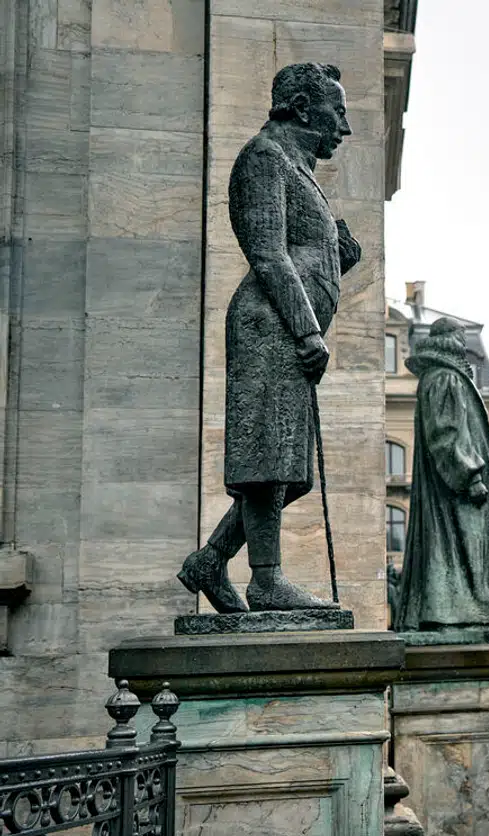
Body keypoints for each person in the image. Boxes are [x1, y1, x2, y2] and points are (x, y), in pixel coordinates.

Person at [176, 62, 362, 613]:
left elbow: (301, 253)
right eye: (338, 112)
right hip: (271, 328)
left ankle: (211, 561)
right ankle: (266, 581)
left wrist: (337, 255)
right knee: (269, 460)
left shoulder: (296, 168)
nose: (344, 128)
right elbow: (267, 251)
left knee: (285, 467)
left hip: (286, 330)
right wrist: (307, 329)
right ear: (303, 108)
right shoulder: (265, 156)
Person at [393, 319, 489, 634]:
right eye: (461, 336)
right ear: (451, 340)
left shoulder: (443, 376)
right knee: (478, 547)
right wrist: (469, 475)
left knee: (459, 552)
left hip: (457, 484)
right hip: (462, 486)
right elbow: (445, 433)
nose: (464, 341)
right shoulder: (445, 377)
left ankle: (477, 610)